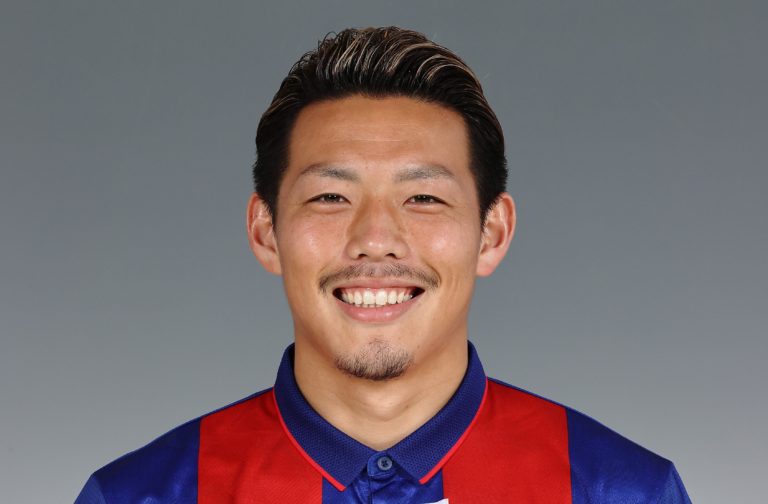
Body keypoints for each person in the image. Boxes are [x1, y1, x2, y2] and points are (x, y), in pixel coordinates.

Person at [75, 27, 691, 503]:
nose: (375, 240)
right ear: (266, 232)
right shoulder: (143, 495)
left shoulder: (622, 492)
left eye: (423, 198)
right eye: (330, 197)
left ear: (492, 233)